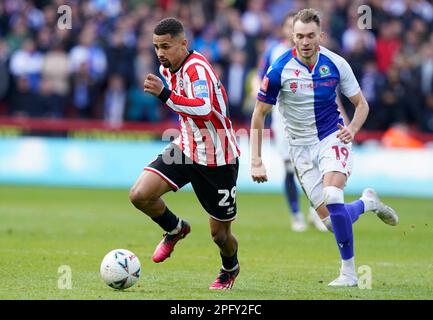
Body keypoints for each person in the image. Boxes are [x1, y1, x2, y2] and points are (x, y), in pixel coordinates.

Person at [250, 8, 399, 287]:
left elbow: (361, 104)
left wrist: (352, 129)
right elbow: (259, 113)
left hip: (331, 138)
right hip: (299, 149)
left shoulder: (337, 63)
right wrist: (256, 159)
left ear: (321, 35)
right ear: (292, 37)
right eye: (299, 36)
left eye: (310, 36)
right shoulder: (279, 68)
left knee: (333, 194)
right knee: (332, 222)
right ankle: (368, 203)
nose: (305, 42)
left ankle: (349, 274)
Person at [129, 17, 241, 290]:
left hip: (219, 158)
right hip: (187, 148)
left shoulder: (197, 69)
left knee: (220, 235)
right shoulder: (166, 69)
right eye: (156, 47)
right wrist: (166, 93)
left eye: (165, 46)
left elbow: (203, 108)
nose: (160, 53)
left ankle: (230, 268)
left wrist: (165, 94)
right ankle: (176, 228)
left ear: (183, 44)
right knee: (140, 195)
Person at [258, 12, 330, 232]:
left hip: (312, 119)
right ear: (287, 31)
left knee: (314, 166)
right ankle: (296, 214)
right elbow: (261, 79)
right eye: (294, 30)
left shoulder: (319, 55)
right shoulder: (275, 53)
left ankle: (315, 212)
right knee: (291, 167)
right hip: (283, 121)